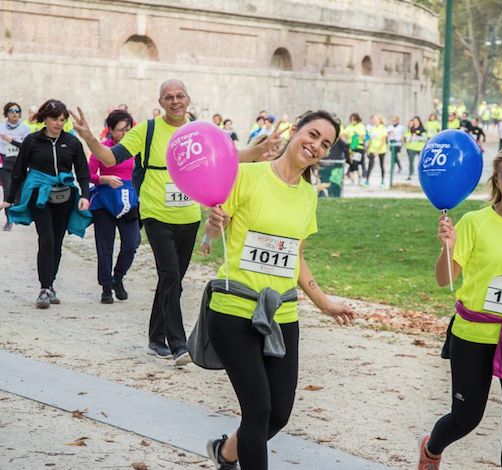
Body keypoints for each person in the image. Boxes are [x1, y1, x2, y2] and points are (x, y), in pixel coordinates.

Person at [70, 79, 281, 366]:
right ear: (161, 102)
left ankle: (155, 339)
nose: (175, 101)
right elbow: (110, 156)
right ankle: (178, 344)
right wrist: (90, 138)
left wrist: (262, 148)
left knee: (172, 280)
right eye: (168, 97)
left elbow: (232, 157)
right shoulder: (148, 130)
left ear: (188, 99)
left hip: (189, 218)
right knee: (170, 277)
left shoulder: (199, 130)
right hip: (156, 216)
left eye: (180, 95)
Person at [201, 110, 355, 470]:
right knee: (258, 409)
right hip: (233, 308)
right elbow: (212, 233)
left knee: (279, 414)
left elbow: (295, 257)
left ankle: (226, 454)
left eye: (325, 143)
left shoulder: (307, 195)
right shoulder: (247, 175)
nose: (316, 145)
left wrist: (324, 303)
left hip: (281, 314)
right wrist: (211, 226)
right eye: (312, 134)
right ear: (295, 131)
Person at [418, 144, 502, 470]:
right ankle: (431, 448)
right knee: (465, 418)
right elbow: (442, 278)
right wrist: (447, 248)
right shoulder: (474, 222)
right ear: (497, 181)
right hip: (473, 336)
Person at [0, 100, 91, 308]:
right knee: (47, 239)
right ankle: (43, 288)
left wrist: (85, 195)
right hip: (38, 196)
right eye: (54, 119)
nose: (59, 123)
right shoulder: (32, 141)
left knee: (57, 242)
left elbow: (82, 171)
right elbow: (19, 172)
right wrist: (9, 198)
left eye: (62, 120)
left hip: (64, 196)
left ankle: (51, 286)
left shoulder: (72, 142)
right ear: (44, 119)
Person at [88, 109, 141, 304]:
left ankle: (118, 277)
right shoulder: (102, 149)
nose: (124, 134)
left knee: (132, 242)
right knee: (104, 246)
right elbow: (88, 174)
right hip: (105, 201)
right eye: (120, 130)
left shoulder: (136, 149)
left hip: (129, 201)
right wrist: (104, 178)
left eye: (128, 129)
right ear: (110, 129)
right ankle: (106, 286)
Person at [1, 102, 32, 231]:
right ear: (6, 113)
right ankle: (9, 219)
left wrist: (10, 141)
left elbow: (26, 147)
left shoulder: (25, 129)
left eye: (17, 110)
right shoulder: (1, 128)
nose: (14, 113)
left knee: (20, 192)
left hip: (21, 163)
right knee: (8, 191)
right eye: (11, 110)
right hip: (5, 163)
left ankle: (17, 214)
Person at [365, 115, 388, 186]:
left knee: (381, 164)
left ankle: (382, 181)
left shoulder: (383, 128)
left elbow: (383, 140)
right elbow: (370, 139)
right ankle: (367, 180)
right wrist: (368, 149)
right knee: (370, 164)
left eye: (376, 119)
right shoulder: (372, 129)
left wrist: (378, 150)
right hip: (372, 148)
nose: (375, 121)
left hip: (381, 149)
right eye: (374, 119)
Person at [405, 116, 427, 181]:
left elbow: (425, 138)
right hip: (412, 147)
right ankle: (410, 174)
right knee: (411, 162)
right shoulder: (410, 129)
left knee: (422, 162)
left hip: (420, 148)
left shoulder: (422, 129)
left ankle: (423, 174)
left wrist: (418, 137)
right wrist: (411, 136)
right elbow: (407, 138)